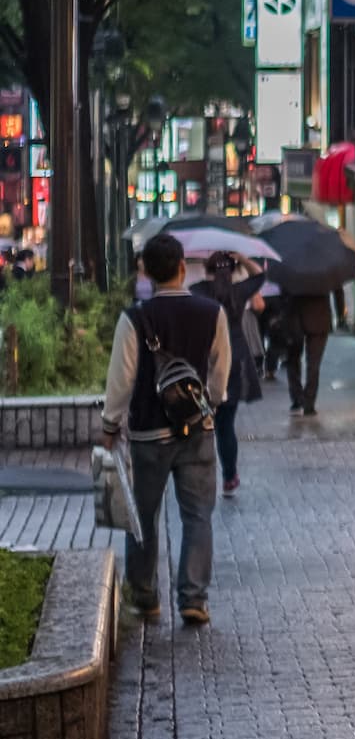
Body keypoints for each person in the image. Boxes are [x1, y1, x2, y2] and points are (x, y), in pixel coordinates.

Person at [103, 234, 230, 626]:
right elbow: (221, 371)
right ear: (181, 268)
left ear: (145, 273)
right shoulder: (212, 312)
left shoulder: (135, 318)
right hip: (197, 430)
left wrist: (109, 425)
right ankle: (193, 598)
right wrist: (209, 401)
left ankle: (145, 597)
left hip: (148, 434)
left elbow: (121, 380)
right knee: (197, 516)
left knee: (143, 516)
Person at [189, 253, 266, 496]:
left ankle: (201, 476)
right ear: (233, 271)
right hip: (235, 358)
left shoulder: (198, 290)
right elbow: (260, 275)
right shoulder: (240, 292)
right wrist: (242, 258)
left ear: (206, 269)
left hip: (205, 360)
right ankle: (229, 476)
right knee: (226, 424)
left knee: (203, 420)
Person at [282, 286, 344, 416]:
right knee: (313, 363)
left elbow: (284, 290)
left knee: (292, 359)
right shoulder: (326, 268)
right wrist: (341, 315)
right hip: (319, 318)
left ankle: (297, 397)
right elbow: (338, 289)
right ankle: (309, 403)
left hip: (295, 317)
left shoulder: (292, 266)